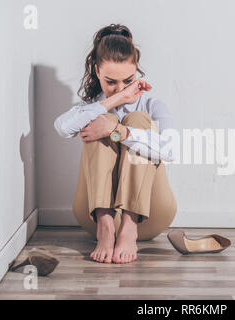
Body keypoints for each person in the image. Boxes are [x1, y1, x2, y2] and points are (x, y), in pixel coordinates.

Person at [54, 23, 178, 264]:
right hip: (94, 220)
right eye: (111, 82)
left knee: (138, 120)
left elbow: (171, 150)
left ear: (137, 71)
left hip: (150, 215)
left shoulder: (152, 104)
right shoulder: (90, 107)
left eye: (127, 81)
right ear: (97, 70)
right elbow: (61, 127)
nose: (119, 88)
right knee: (98, 118)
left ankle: (129, 226)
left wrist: (117, 130)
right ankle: (106, 224)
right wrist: (113, 102)